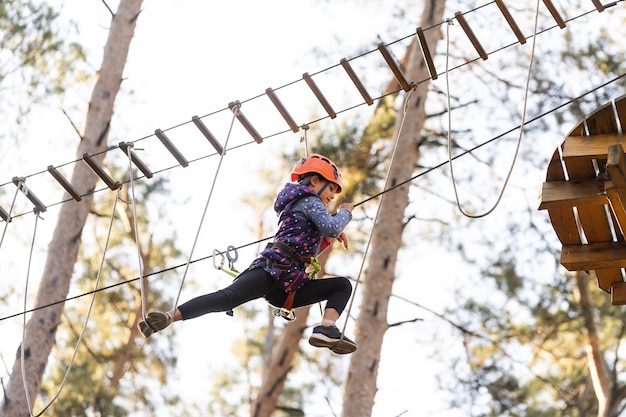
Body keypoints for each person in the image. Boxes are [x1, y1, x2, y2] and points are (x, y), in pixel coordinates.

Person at [138, 153, 357, 354]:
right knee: (228, 297)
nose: (331, 196)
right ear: (315, 181)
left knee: (342, 286)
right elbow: (333, 226)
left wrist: (328, 238)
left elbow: (308, 247)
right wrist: (345, 212)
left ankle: (327, 328)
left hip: (288, 285)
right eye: (331, 188)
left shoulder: (305, 204)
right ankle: (170, 316)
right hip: (272, 270)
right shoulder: (311, 200)